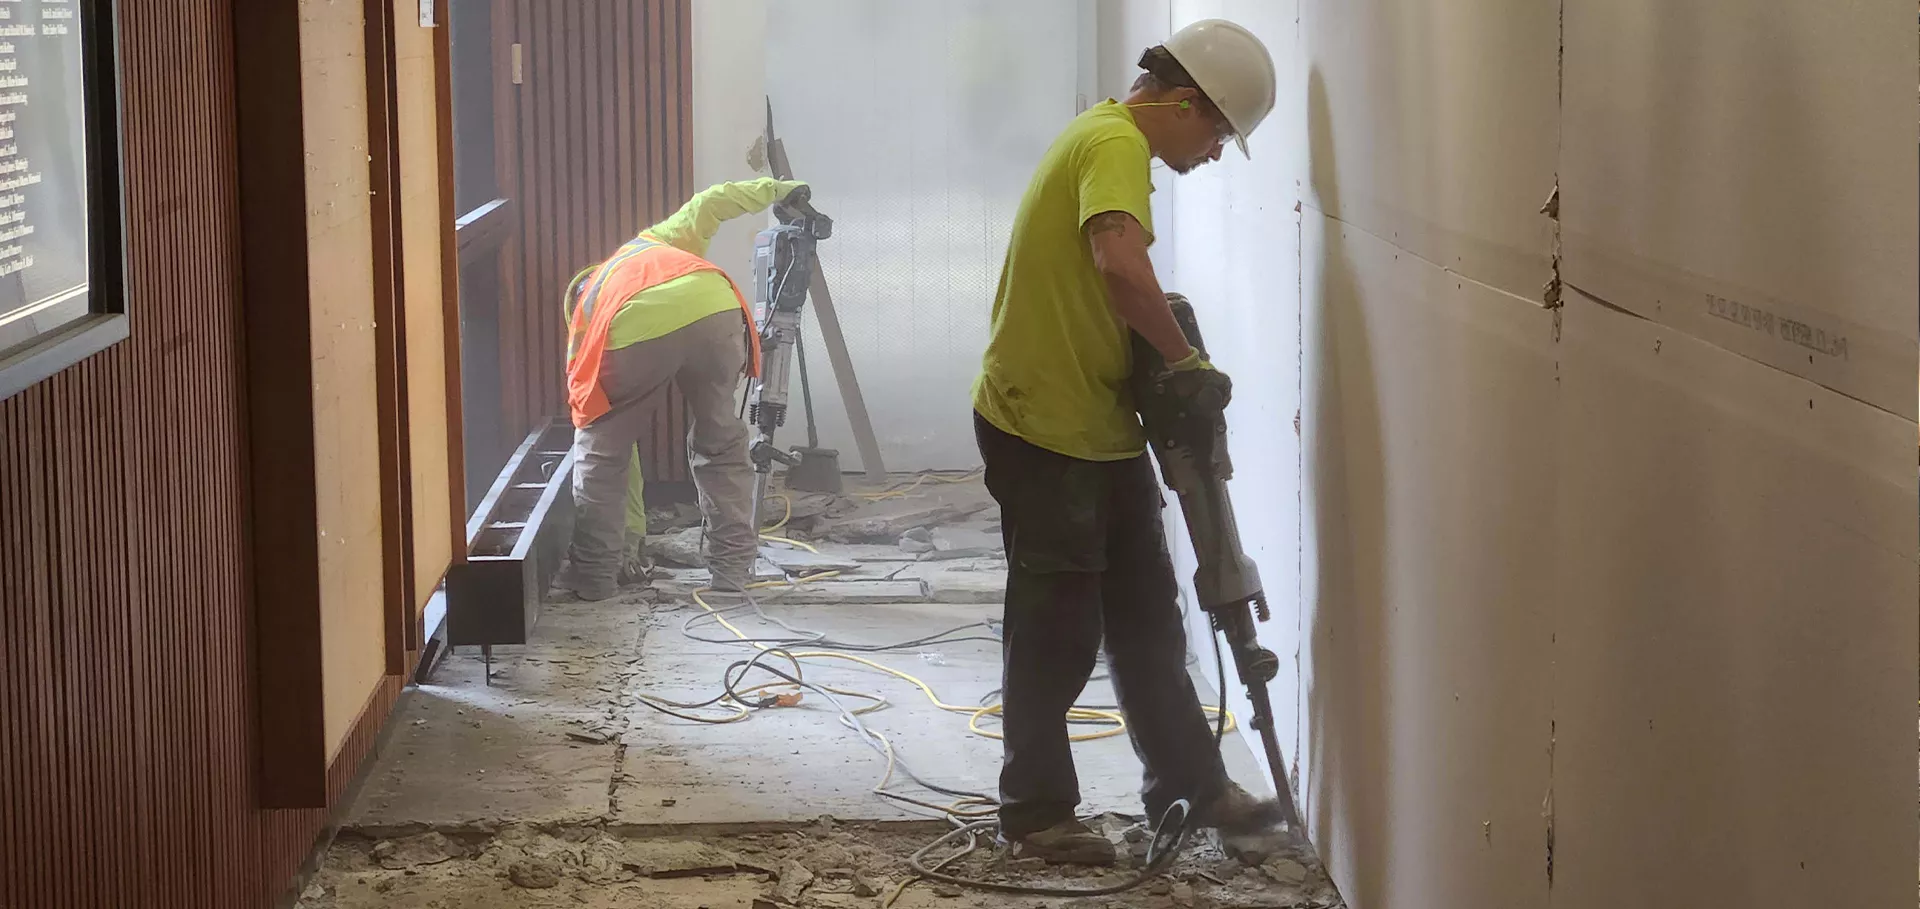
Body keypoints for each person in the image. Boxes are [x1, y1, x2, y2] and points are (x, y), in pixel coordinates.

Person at [969, 20, 1280, 864]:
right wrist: (1184, 363)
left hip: (1095, 425)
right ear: (1181, 104)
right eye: (1216, 131)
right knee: (1055, 626)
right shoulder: (1111, 141)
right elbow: (1117, 260)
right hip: (1044, 424)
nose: (1215, 151)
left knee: (1148, 617)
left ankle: (1191, 782)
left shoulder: (1101, 137)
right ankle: (1035, 812)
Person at [560, 177, 807, 601]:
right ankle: (732, 574)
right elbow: (714, 200)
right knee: (722, 446)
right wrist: (778, 189)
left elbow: (614, 457)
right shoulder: (653, 243)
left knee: (602, 455)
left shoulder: (588, 316)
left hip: (632, 326)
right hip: (716, 309)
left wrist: (632, 540)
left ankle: (595, 580)